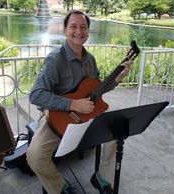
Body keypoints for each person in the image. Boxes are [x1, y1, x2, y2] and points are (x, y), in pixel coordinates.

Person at [26, 9, 132, 194]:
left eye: (83, 27)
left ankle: (102, 177)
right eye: (73, 26)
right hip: (60, 119)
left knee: (116, 135)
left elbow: (97, 92)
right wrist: (73, 104)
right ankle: (61, 187)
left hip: (88, 117)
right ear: (65, 30)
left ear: (88, 32)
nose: (79, 31)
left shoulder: (90, 60)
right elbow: (36, 95)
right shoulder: (55, 59)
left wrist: (116, 79)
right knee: (35, 157)